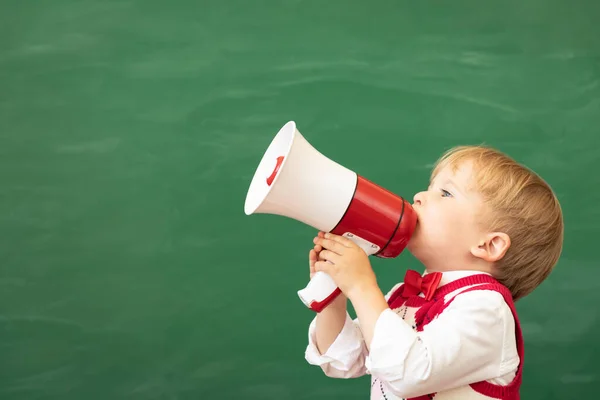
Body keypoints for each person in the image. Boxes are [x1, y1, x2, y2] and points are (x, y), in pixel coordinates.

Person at [304, 145, 564, 399]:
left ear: (488, 244)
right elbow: (342, 362)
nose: (419, 196)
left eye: (446, 193)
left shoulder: (487, 309)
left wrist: (361, 288)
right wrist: (335, 299)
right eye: (430, 187)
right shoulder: (407, 296)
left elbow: (409, 372)